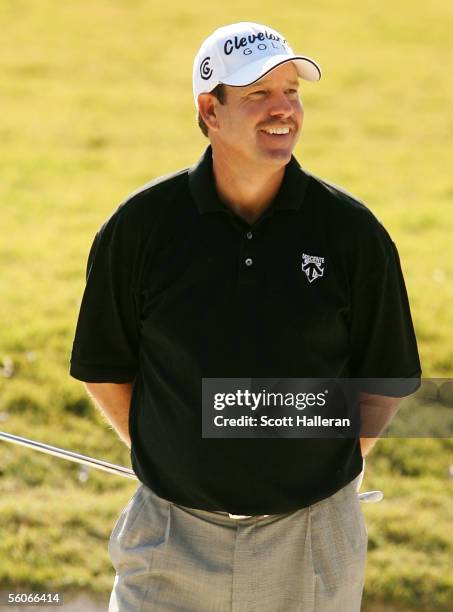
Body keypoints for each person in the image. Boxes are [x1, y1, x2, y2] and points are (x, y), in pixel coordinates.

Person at [69, 21, 421, 611]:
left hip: (311, 541)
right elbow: (104, 366)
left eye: (292, 91)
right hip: (169, 543)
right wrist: (171, 450)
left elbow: (384, 379)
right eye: (258, 94)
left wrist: (315, 466)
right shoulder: (140, 229)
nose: (282, 110)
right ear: (210, 110)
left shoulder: (353, 234)